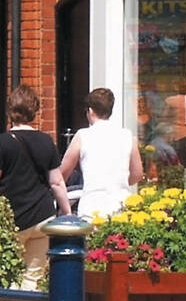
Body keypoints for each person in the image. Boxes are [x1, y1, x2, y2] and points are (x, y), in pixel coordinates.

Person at [0, 85, 71, 301]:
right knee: (32, 275)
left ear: (11, 112)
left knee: (11, 273)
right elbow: (57, 182)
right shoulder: (46, 141)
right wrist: (67, 214)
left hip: (12, 219)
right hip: (43, 217)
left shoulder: (3, 143)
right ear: (35, 112)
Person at [58, 87, 144, 219]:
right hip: (121, 208)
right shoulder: (127, 136)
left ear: (90, 111)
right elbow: (137, 174)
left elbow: (63, 174)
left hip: (92, 209)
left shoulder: (83, 136)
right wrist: (117, 182)